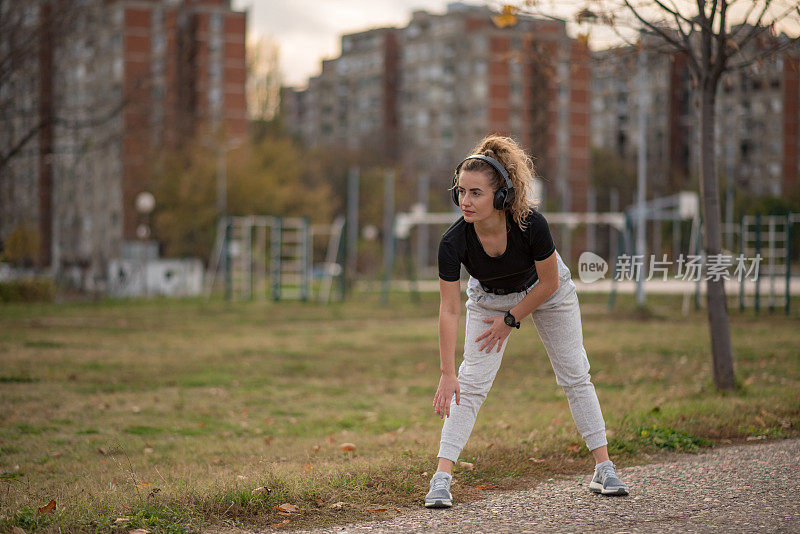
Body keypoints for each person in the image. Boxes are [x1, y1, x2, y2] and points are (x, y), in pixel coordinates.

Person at [424, 135, 628, 508]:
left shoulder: (531, 224)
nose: (465, 202)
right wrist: (446, 371)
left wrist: (511, 319)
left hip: (547, 291)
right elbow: (449, 309)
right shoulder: (452, 242)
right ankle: (441, 478)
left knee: (573, 371)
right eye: (460, 192)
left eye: (476, 193)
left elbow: (549, 282)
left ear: (501, 197)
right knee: (469, 385)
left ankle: (604, 468)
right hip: (488, 299)